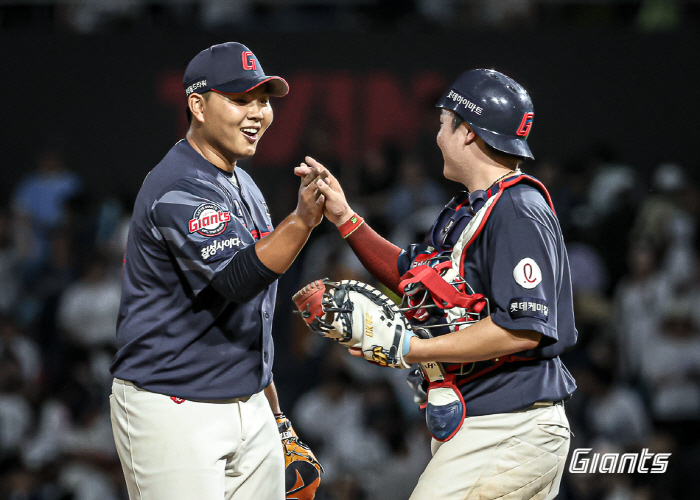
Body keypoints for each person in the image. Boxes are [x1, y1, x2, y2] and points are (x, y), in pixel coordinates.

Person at [300, 69, 577, 499]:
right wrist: (345, 218)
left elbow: (522, 328)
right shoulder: (469, 209)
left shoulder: (518, 209)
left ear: (468, 132)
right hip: (484, 422)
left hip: (509, 423)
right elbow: (416, 280)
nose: (438, 135)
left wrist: (412, 348)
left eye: (444, 123)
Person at [109, 42, 326, 500]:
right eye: (240, 99)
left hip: (246, 402)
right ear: (198, 105)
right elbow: (236, 281)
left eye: (263, 100)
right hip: (174, 404)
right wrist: (302, 220)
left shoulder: (241, 181)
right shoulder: (177, 185)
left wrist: (274, 414)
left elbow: (250, 322)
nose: (258, 113)